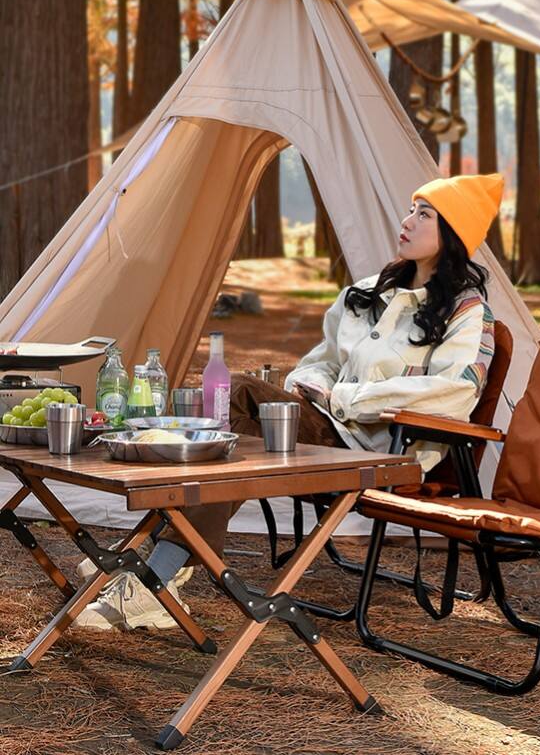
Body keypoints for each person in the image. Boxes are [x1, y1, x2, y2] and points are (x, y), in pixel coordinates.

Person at [75, 172, 504, 631]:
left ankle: (155, 565)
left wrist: (344, 398)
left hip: (382, 449)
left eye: (425, 214)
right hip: (329, 427)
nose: (407, 220)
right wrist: (316, 387)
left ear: (453, 233)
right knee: (229, 422)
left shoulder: (467, 312)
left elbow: (455, 392)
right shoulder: (368, 294)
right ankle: (160, 572)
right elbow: (318, 363)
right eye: (411, 209)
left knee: (236, 396)